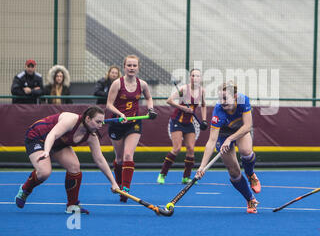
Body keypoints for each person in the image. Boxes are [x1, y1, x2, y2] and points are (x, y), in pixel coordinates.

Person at [15, 106, 120, 214]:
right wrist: (46, 151)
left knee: (74, 166)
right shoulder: (71, 120)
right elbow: (52, 134)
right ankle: (25, 190)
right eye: (98, 122)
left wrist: (113, 183)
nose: (100, 126)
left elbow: (100, 159)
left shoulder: (92, 136)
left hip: (59, 143)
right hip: (38, 137)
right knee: (44, 172)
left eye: (101, 122)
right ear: (88, 119)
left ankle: (72, 205)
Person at [195, 81, 261, 214]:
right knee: (234, 171)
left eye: (225, 98)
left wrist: (230, 139)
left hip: (241, 130)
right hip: (223, 135)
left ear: (235, 96)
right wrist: (202, 166)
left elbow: (247, 126)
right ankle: (250, 199)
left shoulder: (243, 100)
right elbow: (211, 140)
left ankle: (250, 174)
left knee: (246, 152)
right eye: (220, 98)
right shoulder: (218, 111)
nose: (222, 101)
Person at [106, 55, 157, 202]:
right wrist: (120, 114)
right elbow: (109, 104)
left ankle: (125, 190)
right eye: (129, 65)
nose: (132, 68)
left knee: (128, 155)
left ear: (138, 67)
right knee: (120, 158)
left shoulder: (142, 84)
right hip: (117, 123)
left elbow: (148, 98)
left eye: (134, 66)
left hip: (134, 123)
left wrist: (151, 109)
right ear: (124, 67)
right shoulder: (117, 84)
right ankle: (119, 184)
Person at [157, 69, 208, 185]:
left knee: (190, 148)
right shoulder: (184, 89)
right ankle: (162, 174)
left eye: (198, 76)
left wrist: (204, 120)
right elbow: (169, 101)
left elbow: (204, 105)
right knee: (177, 148)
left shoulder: (202, 91)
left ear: (200, 79)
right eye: (193, 75)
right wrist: (183, 108)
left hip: (189, 122)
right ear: (190, 77)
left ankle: (186, 177)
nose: (195, 78)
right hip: (177, 121)